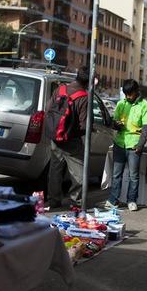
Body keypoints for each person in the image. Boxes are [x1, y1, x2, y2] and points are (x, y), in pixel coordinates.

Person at [104, 79, 147, 212]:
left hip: (134, 145)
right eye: (126, 94)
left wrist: (140, 145)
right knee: (116, 174)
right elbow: (115, 122)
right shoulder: (120, 104)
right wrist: (116, 124)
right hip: (120, 143)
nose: (128, 97)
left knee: (133, 175)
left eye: (130, 94)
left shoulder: (144, 105)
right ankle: (113, 200)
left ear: (136, 92)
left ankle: (132, 200)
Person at [46, 66, 89, 208]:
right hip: (72, 141)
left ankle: (53, 200)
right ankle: (74, 201)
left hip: (55, 139)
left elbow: (48, 110)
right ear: (88, 82)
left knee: (55, 171)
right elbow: (83, 126)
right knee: (79, 175)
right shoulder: (83, 97)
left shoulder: (60, 89)